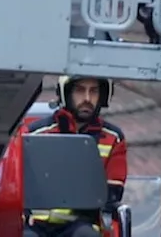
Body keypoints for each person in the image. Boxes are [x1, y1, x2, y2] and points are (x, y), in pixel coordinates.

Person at [25, 76, 128, 237]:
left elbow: (111, 195)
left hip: (82, 226)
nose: (87, 98)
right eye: (80, 90)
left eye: (94, 91)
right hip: (35, 226)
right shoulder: (34, 134)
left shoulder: (113, 138)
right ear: (65, 93)